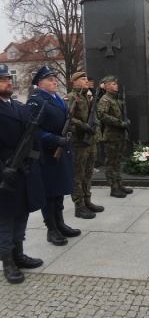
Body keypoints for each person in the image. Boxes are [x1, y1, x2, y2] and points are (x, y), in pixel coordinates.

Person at [0, 64, 45, 284]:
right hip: (5, 171)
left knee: (22, 215)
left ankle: (19, 254)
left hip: (24, 170)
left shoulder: (19, 106)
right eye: (3, 80)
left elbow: (32, 136)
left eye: (9, 78)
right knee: (5, 221)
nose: (9, 82)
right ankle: (7, 262)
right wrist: (2, 169)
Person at [27, 66, 80, 246]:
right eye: (50, 80)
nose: (55, 82)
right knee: (49, 193)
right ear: (40, 84)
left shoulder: (56, 98)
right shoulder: (36, 100)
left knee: (59, 191)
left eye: (54, 79)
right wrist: (54, 139)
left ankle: (60, 224)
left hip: (61, 152)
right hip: (48, 154)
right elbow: (34, 129)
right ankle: (51, 229)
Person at [65, 72, 104, 219]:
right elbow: (69, 117)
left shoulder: (87, 96)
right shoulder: (72, 97)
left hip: (90, 141)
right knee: (78, 175)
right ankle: (79, 206)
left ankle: (88, 201)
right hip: (79, 142)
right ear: (75, 82)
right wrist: (83, 125)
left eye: (87, 78)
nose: (86, 81)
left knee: (88, 174)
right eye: (83, 79)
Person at [97, 75, 133, 198]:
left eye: (116, 83)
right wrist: (120, 123)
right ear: (106, 87)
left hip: (120, 135)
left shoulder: (117, 100)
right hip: (111, 136)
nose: (116, 85)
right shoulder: (105, 99)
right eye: (113, 84)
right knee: (111, 162)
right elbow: (102, 115)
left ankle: (119, 184)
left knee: (118, 162)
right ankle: (113, 187)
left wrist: (125, 121)